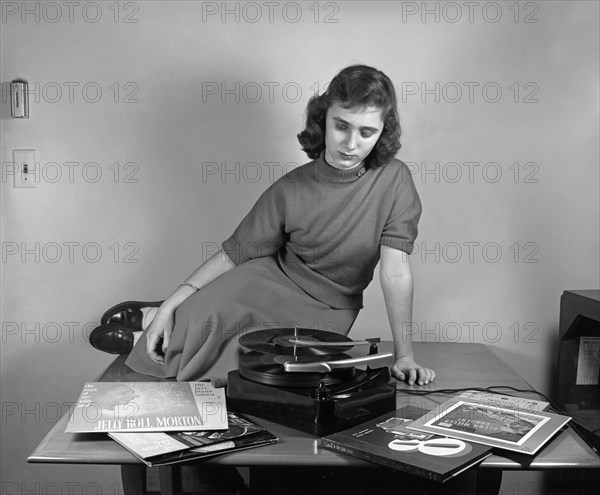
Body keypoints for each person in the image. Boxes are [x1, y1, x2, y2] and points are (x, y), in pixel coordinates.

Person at [91, 64, 436, 387]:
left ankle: (153, 332)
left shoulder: (395, 180)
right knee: (208, 315)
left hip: (333, 307)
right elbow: (235, 252)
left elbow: (395, 273)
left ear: (382, 132)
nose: (351, 143)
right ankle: (163, 314)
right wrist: (172, 300)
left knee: (262, 363)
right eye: (341, 126)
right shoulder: (291, 187)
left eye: (367, 132)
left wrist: (405, 356)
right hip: (270, 279)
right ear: (323, 119)